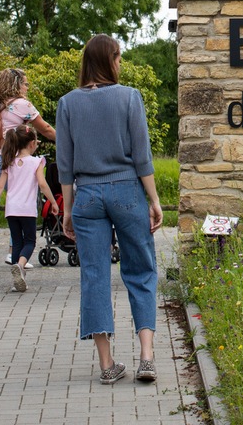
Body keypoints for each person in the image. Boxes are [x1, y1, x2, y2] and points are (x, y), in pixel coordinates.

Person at [57, 34, 163, 385]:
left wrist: (68, 210)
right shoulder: (130, 97)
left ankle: (107, 364)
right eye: (118, 57)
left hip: (87, 195)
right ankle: (146, 357)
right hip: (126, 192)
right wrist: (154, 200)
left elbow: (65, 164)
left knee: (94, 274)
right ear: (109, 60)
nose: (120, 63)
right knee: (141, 270)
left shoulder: (67, 104)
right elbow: (142, 155)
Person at [0, 68, 56, 273]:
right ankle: (15, 254)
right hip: (6, 162)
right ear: (16, 84)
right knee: (18, 201)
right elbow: (45, 129)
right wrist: (68, 141)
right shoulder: (21, 105)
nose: (27, 87)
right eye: (25, 83)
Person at [0, 124, 60, 292]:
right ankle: (21, 265)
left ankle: (18, 279)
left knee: (17, 242)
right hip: (27, 209)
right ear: (32, 143)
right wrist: (53, 202)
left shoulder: (9, 161)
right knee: (30, 241)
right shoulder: (37, 161)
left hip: (11, 210)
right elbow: (42, 184)